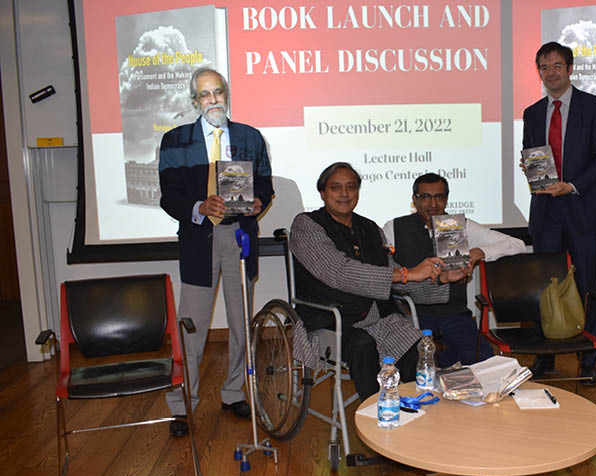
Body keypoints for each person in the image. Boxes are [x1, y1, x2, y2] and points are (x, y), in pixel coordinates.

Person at [159, 67, 274, 436]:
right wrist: (198, 207)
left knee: (241, 325)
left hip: (239, 236)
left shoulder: (250, 137)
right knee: (190, 327)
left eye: (219, 92)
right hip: (199, 239)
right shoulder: (176, 141)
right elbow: (169, 196)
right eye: (205, 94)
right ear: (195, 101)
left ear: (227, 95)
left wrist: (259, 201)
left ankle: (232, 392)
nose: (213, 100)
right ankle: (183, 404)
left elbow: (267, 184)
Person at [290, 163, 466, 400]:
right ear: (322, 193)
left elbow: (396, 279)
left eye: (351, 187)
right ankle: (376, 414)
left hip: (378, 316)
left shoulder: (370, 228)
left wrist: (440, 277)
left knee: (420, 346)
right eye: (336, 187)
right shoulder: (306, 225)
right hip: (333, 319)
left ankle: (418, 408)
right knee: (363, 346)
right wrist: (407, 273)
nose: (344, 194)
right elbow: (339, 272)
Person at [522, 41, 596, 385]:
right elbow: (532, 152)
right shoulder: (532, 113)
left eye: (557, 66)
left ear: (570, 68)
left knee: (588, 286)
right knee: (544, 287)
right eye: (544, 67)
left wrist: (572, 185)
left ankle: (588, 359)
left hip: (582, 208)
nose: (551, 73)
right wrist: (530, 166)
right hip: (546, 211)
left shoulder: (594, 106)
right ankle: (546, 358)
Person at [383, 173, 526, 367]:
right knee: (415, 364)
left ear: (446, 199)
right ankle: (441, 364)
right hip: (411, 314)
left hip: (453, 313)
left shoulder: (463, 226)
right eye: (425, 197)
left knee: (482, 363)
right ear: (414, 200)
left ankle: (445, 363)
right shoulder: (394, 228)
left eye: (439, 197)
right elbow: (385, 272)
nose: (433, 204)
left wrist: (480, 252)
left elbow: (517, 245)